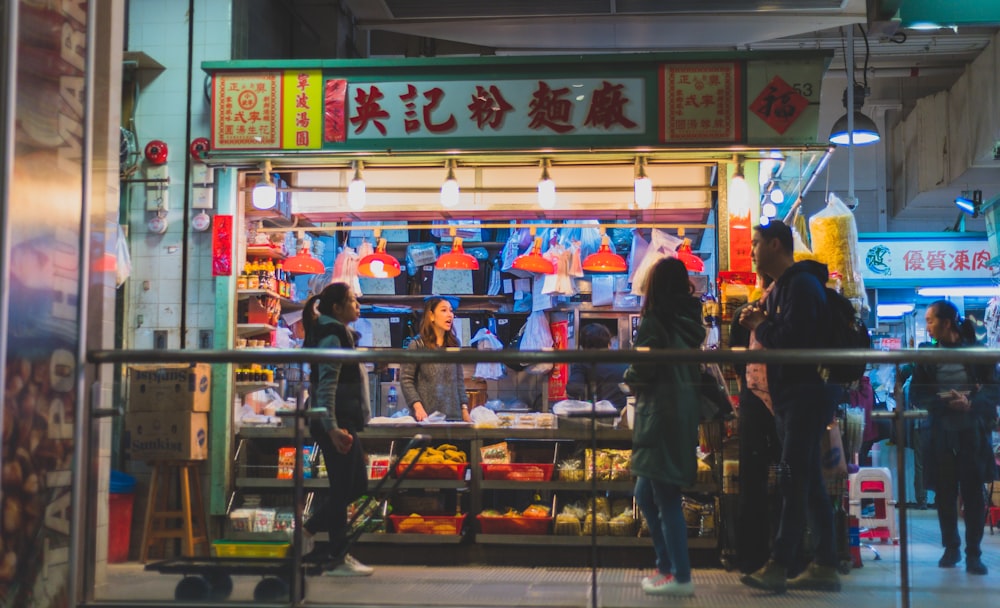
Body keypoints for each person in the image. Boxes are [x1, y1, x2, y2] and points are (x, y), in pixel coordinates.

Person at [738, 220, 840, 593]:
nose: (750, 251)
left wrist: (761, 324)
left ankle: (780, 564)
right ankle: (826, 564)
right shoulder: (781, 288)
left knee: (794, 478)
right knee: (808, 479)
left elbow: (794, 343)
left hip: (805, 394)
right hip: (790, 397)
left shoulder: (801, 285)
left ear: (776, 245)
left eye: (756, 243)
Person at [624, 257, 705, 597]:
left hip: (659, 413)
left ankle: (678, 575)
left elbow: (643, 369)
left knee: (666, 496)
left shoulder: (656, 321)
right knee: (646, 492)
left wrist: (627, 378)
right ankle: (667, 567)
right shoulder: (690, 321)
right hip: (683, 412)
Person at [909, 300, 998, 575]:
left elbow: (994, 389)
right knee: (945, 494)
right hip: (939, 432)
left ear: (947, 323)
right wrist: (945, 402)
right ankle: (951, 548)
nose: (928, 326)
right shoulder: (926, 355)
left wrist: (971, 404)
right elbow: (917, 394)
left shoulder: (976, 352)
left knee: (972, 494)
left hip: (971, 431)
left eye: (930, 320)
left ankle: (974, 554)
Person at [301, 283, 374, 576]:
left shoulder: (335, 332)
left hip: (338, 421)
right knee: (351, 487)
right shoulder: (332, 336)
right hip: (334, 422)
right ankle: (310, 534)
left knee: (349, 487)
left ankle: (335, 556)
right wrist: (332, 428)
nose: (357, 304)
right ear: (336, 308)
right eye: (352, 300)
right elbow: (327, 386)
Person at [729, 274, 781, 574]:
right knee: (783, 477)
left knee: (755, 480)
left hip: (756, 406)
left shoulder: (747, 316)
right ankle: (779, 553)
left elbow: (738, 365)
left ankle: (753, 556)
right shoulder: (753, 316)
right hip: (780, 406)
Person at [401, 297, 471, 422]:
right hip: (427, 418)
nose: (450, 315)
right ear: (431, 316)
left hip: (453, 418)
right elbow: (406, 380)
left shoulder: (454, 344)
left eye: (451, 311)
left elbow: (459, 380)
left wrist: (464, 410)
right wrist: (417, 407)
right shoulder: (417, 345)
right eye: (444, 310)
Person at [565, 323, 629, 410]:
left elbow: (574, 389)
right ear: (608, 342)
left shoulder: (582, 361)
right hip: (625, 414)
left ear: (583, 345)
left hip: (598, 416)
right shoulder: (624, 358)